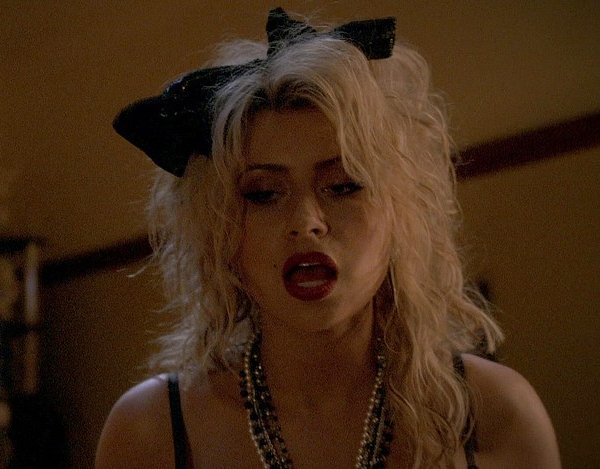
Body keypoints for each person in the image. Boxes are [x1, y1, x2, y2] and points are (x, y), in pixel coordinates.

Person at [96, 8, 560, 468]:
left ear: (400, 210)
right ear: (219, 231)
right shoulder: (150, 433)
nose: (307, 222)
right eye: (264, 194)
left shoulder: (496, 416)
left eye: (343, 186)